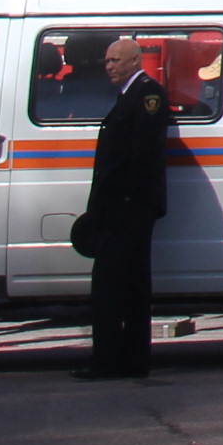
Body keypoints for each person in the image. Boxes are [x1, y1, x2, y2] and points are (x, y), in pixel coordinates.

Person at [76, 34, 173, 381]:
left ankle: (107, 360)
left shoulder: (147, 94)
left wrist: (124, 201)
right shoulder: (129, 95)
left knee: (110, 284)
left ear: (135, 61)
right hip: (125, 205)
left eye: (115, 60)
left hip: (129, 207)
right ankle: (132, 359)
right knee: (131, 286)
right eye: (107, 61)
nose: (109, 66)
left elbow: (144, 155)